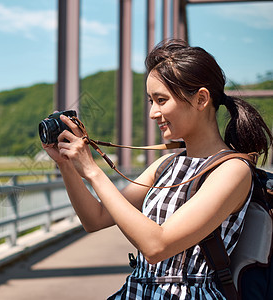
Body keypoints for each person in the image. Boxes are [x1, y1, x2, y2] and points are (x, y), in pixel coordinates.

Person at [42, 39, 272, 299]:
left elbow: (157, 246)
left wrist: (94, 171)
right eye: (151, 101)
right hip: (137, 290)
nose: (153, 113)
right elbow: (95, 218)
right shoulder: (165, 165)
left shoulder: (232, 170)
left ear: (201, 99)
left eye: (161, 100)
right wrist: (66, 165)